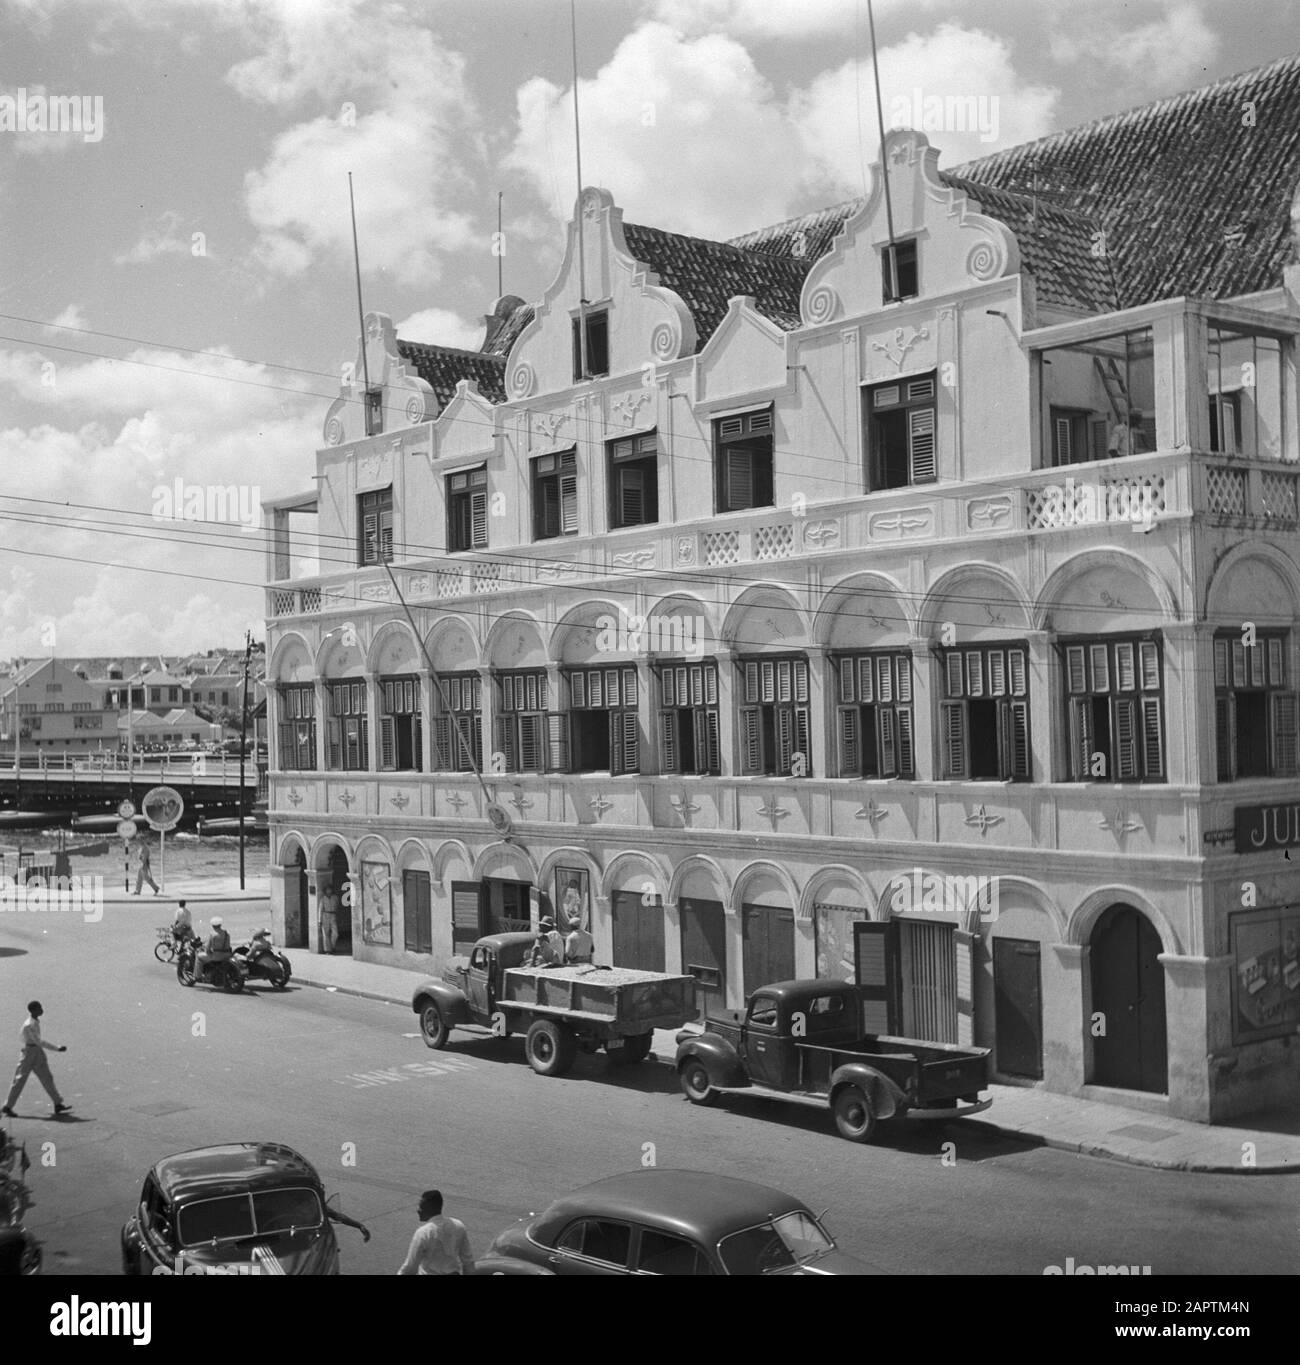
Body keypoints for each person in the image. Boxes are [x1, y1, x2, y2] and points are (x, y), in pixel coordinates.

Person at [2, 1001, 71, 1118]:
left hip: (36, 1052)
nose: (41, 1010)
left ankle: (58, 1103)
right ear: (33, 1010)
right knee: (20, 1080)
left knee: (47, 1077)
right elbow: (38, 1041)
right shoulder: (29, 1025)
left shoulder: (34, 1022)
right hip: (29, 1053)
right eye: (39, 1008)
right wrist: (56, 1048)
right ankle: (7, 1107)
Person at [397, 1190, 473, 1276]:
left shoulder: (424, 1233)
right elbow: (468, 1261)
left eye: (421, 1207)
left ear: (430, 1208)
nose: (418, 1210)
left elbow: (410, 1268)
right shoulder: (459, 1226)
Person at [194, 917, 232, 982]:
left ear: (213, 926)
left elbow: (207, 948)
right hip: (227, 955)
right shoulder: (226, 934)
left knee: (199, 957)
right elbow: (228, 946)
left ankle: (197, 976)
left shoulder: (213, 934)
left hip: (216, 956)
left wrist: (206, 950)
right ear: (220, 925)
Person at [319, 885, 339, 954]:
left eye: (330, 889)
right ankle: (327, 950)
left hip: (333, 915)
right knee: (326, 934)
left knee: (335, 933)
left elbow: (337, 905)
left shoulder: (335, 898)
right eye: (327, 890)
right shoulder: (323, 899)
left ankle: (333, 946)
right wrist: (320, 920)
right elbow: (320, 909)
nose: (329, 891)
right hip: (325, 915)